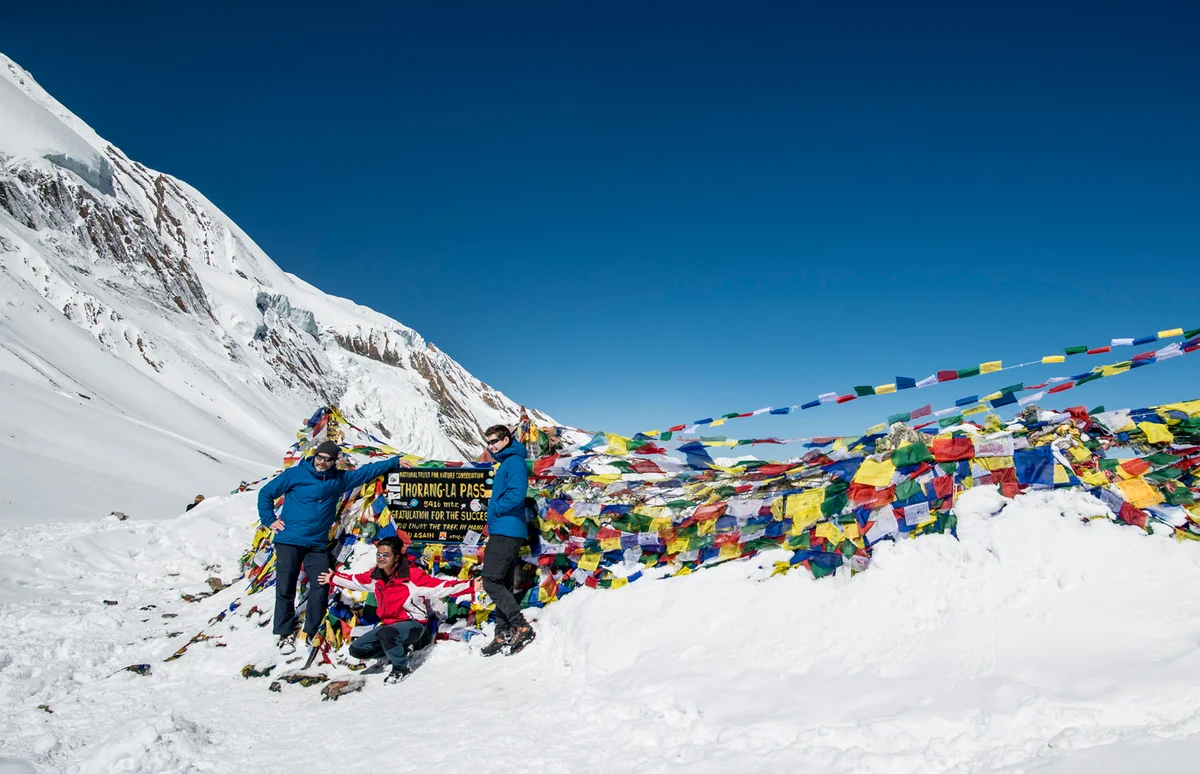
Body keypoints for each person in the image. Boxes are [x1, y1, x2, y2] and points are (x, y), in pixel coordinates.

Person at [257, 440, 406, 654]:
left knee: (321, 584)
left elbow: (366, 472)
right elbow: (266, 493)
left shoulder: (338, 479)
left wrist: (395, 461)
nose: (322, 462)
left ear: (334, 462)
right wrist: (269, 519)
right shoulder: (295, 475)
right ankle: (284, 632)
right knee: (285, 586)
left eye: (328, 459)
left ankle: (311, 629)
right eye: (319, 457)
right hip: (289, 540)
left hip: (316, 544)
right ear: (314, 456)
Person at [317, 536, 470, 683]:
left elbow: (440, 586)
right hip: (389, 626)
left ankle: (401, 668)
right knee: (357, 649)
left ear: (396, 557)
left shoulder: (412, 576)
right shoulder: (376, 576)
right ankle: (395, 652)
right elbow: (356, 581)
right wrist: (333, 578)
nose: (381, 558)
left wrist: (470, 585)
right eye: (378, 554)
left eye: (386, 555)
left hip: (413, 624)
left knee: (387, 633)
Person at [479, 424, 536, 656]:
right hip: (505, 527)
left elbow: (516, 494)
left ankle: (520, 625)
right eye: (489, 442)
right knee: (500, 581)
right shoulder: (507, 461)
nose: (491, 446)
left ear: (507, 439)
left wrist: (494, 510)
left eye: (495, 441)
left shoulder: (514, 462)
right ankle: (502, 632)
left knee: (490, 580)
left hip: (507, 527)